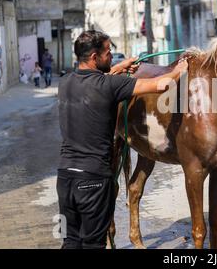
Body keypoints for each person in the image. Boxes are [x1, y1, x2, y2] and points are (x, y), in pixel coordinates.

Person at [57, 30, 188, 249]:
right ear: (94, 58)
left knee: (71, 241)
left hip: (65, 179)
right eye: (108, 52)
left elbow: (96, 80)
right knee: (93, 244)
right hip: (93, 181)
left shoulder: (65, 83)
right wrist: (180, 69)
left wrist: (120, 67)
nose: (111, 56)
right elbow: (161, 85)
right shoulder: (111, 86)